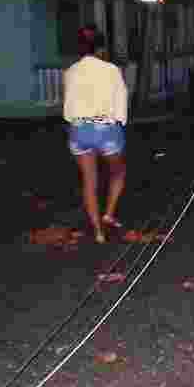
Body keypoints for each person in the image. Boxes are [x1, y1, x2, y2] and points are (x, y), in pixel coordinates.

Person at [63, 24, 129, 244]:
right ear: (100, 49)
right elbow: (121, 103)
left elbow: (68, 108)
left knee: (88, 181)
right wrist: (118, 123)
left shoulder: (70, 71)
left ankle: (98, 232)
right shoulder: (111, 70)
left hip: (79, 130)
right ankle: (109, 214)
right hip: (106, 129)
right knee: (117, 172)